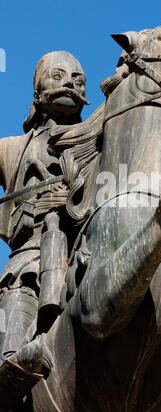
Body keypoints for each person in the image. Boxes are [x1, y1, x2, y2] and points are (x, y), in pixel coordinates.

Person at [0, 51, 90, 372]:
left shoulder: (97, 140)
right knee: (19, 284)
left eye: (77, 80)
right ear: (37, 93)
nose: (68, 83)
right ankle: (9, 366)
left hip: (86, 246)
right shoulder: (10, 149)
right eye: (57, 76)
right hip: (30, 254)